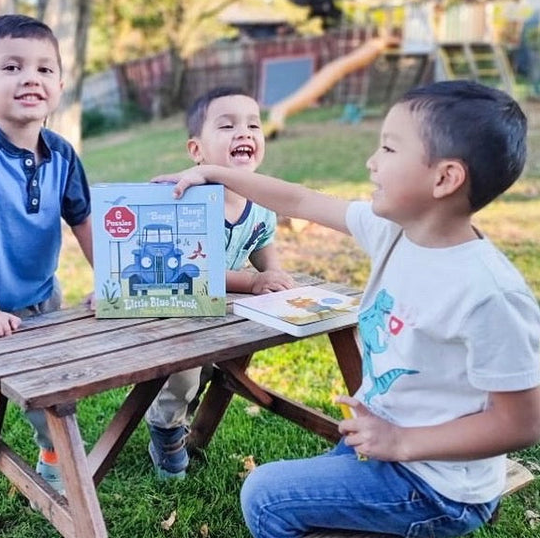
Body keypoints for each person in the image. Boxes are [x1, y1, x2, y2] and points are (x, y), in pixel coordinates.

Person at [152, 80, 540, 537]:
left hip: (440, 486)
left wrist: (403, 443)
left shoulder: (489, 294)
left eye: (389, 150)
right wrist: (214, 175)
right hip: (384, 441)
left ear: (445, 178)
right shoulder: (394, 231)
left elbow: (522, 424)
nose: (371, 162)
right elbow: (300, 199)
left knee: (265, 495)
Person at [0, 14, 93, 497]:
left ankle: (54, 451)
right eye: (12, 67)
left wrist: (113, 284)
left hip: (39, 294)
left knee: (54, 381)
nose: (31, 77)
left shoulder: (64, 154)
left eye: (45, 70)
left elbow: (84, 221)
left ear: (60, 85)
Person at [145, 86, 294, 480]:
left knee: (214, 367)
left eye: (253, 125)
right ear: (197, 151)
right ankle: (165, 429)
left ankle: (183, 414)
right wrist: (252, 281)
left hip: (223, 312)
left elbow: (261, 238)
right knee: (185, 371)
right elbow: (193, 270)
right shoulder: (189, 200)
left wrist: (272, 270)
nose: (243, 132)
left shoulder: (259, 198)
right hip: (179, 311)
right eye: (227, 125)